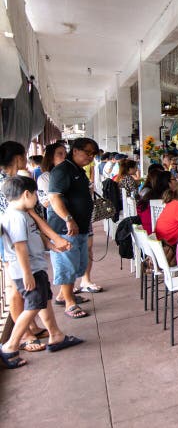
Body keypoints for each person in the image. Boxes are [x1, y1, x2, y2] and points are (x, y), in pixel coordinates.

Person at [0, 176, 84, 368]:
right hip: (28, 271)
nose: (38, 198)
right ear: (27, 194)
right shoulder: (15, 217)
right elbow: (20, 247)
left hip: (35, 267)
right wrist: (27, 273)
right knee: (33, 307)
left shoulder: (22, 214)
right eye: (36, 194)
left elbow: (34, 237)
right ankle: (10, 346)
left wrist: (51, 246)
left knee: (44, 300)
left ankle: (56, 336)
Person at [0, 142, 71, 351]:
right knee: (21, 292)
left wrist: (50, 242)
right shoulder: (10, 188)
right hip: (18, 254)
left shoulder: (16, 184)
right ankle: (19, 338)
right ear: (17, 157)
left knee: (38, 295)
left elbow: (31, 220)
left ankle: (49, 332)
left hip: (28, 252)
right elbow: (20, 238)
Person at [47, 138, 100, 319]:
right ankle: (70, 303)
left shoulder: (77, 170)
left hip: (80, 228)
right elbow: (54, 198)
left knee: (78, 264)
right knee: (66, 265)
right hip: (65, 229)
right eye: (88, 152)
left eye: (93, 154)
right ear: (75, 150)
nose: (90, 157)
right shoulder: (62, 170)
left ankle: (65, 295)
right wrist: (68, 219)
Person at [37, 142, 68, 209]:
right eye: (60, 154)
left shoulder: (70, 173)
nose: (65, 156)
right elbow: (45, 203)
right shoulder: (44, 178)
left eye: (65, 153)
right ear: (51, 158)